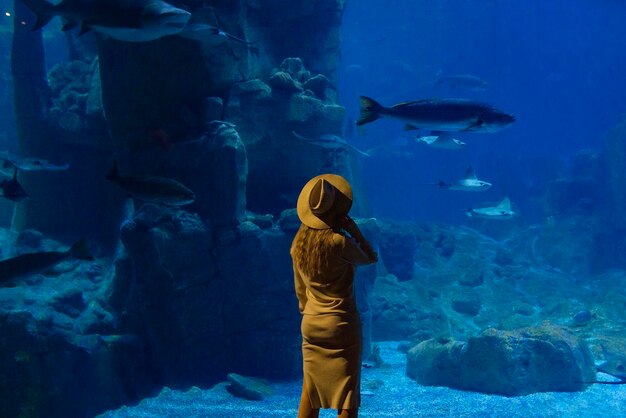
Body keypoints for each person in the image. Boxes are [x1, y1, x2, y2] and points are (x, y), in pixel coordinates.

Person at [291, 174, 378, 418]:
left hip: (311, 324)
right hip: (341, 325)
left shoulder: (298, 243)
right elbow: (370, 258)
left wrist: (310, 313)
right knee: (347, 395)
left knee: (310, 391)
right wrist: (354, 230)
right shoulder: (340, 243)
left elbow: (301, 292)